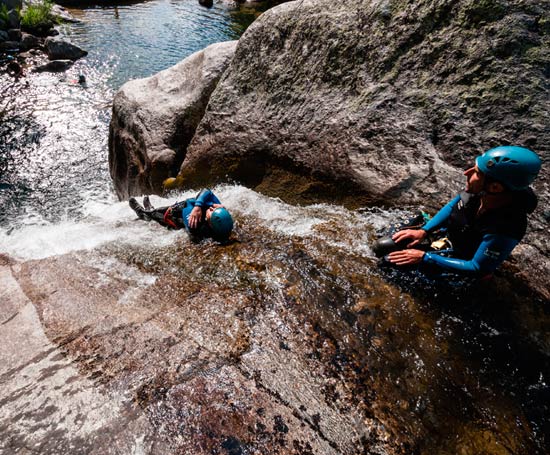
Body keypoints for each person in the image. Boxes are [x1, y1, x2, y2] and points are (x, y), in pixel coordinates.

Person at [373, 146, 541, 276]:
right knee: (382, 244)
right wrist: (424, 231)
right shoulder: (478, 192)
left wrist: (425, 258)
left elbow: (477, 268)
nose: (466, 172)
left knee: (388, 264)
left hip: (462, 261)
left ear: (495, 187)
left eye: (476, 172)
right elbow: (453, 206)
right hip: (449, 237)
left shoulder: (507, 227)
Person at [129, 188, 234, 242]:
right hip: (187, 208)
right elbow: (207, 191)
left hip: (177, 218)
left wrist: (197, 207)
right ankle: (150, 210)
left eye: (212, 211)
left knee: (156, 215)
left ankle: (143, 213)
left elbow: (188, 203)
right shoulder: (220, 220)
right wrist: (202, 205)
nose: (212, 208)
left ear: (210, 223)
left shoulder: (194, 224)